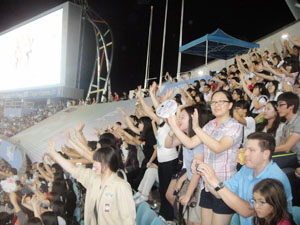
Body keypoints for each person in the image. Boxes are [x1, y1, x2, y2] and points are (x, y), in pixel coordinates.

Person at [196, 132, 292, 225]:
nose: (245, 153)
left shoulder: (275, 178)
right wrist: (204, 174)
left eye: (251, 150)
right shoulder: (246, 169)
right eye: (246, 149)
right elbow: (219, 193)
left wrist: (216, 182)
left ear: (266, 154)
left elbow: (248, 211)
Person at [47, 140, 136, 225]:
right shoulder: (93, 178)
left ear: (107, 163)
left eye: (97, 162)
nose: (93, 165)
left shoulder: (121, 186)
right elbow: (72, 169)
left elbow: (128, 219)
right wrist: (54, 154)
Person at [275, 92, 300, 164]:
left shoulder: (298, 121)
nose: (278, 108)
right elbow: (282, 146)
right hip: (290, 158)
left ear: (291, 107)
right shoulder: (285, 125)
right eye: (277, 105)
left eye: (281, 105)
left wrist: (265, 150)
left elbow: (287, 147)